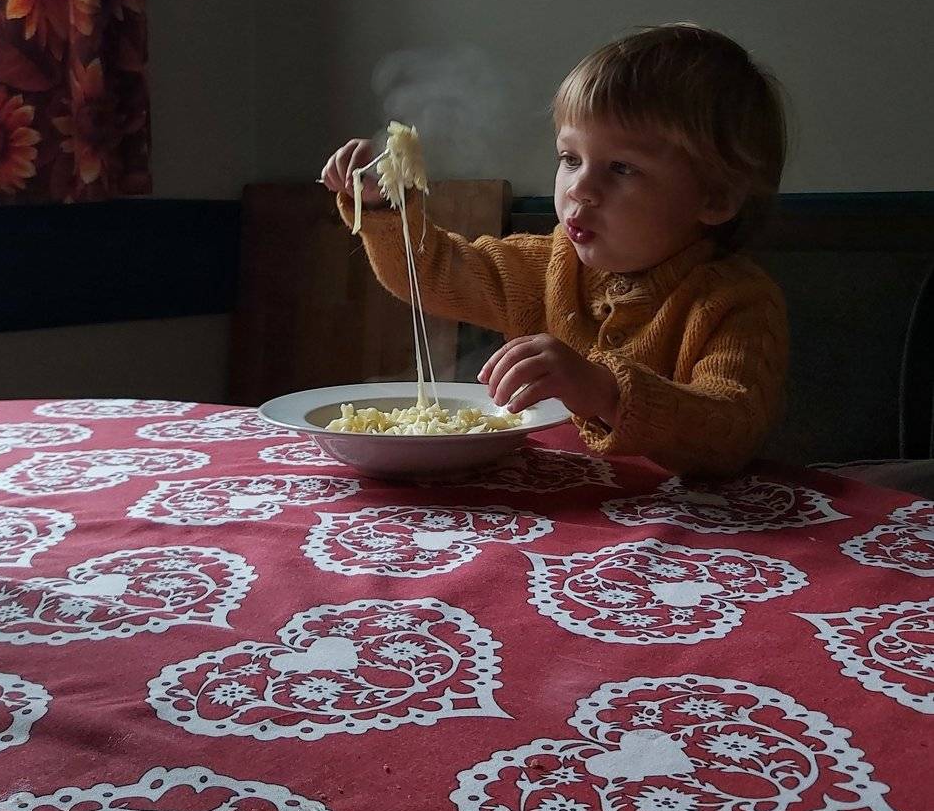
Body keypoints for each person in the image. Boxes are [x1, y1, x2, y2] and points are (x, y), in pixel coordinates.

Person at [320, 24, 788, 479]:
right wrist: (383, 205)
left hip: (681, 521)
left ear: (716, 198)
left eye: (621, 168)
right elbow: (432, 271)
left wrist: (606, 393)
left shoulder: (736, 302)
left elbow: (731, 430)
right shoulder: (544, 266)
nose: (580, 188)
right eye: (570, 159)